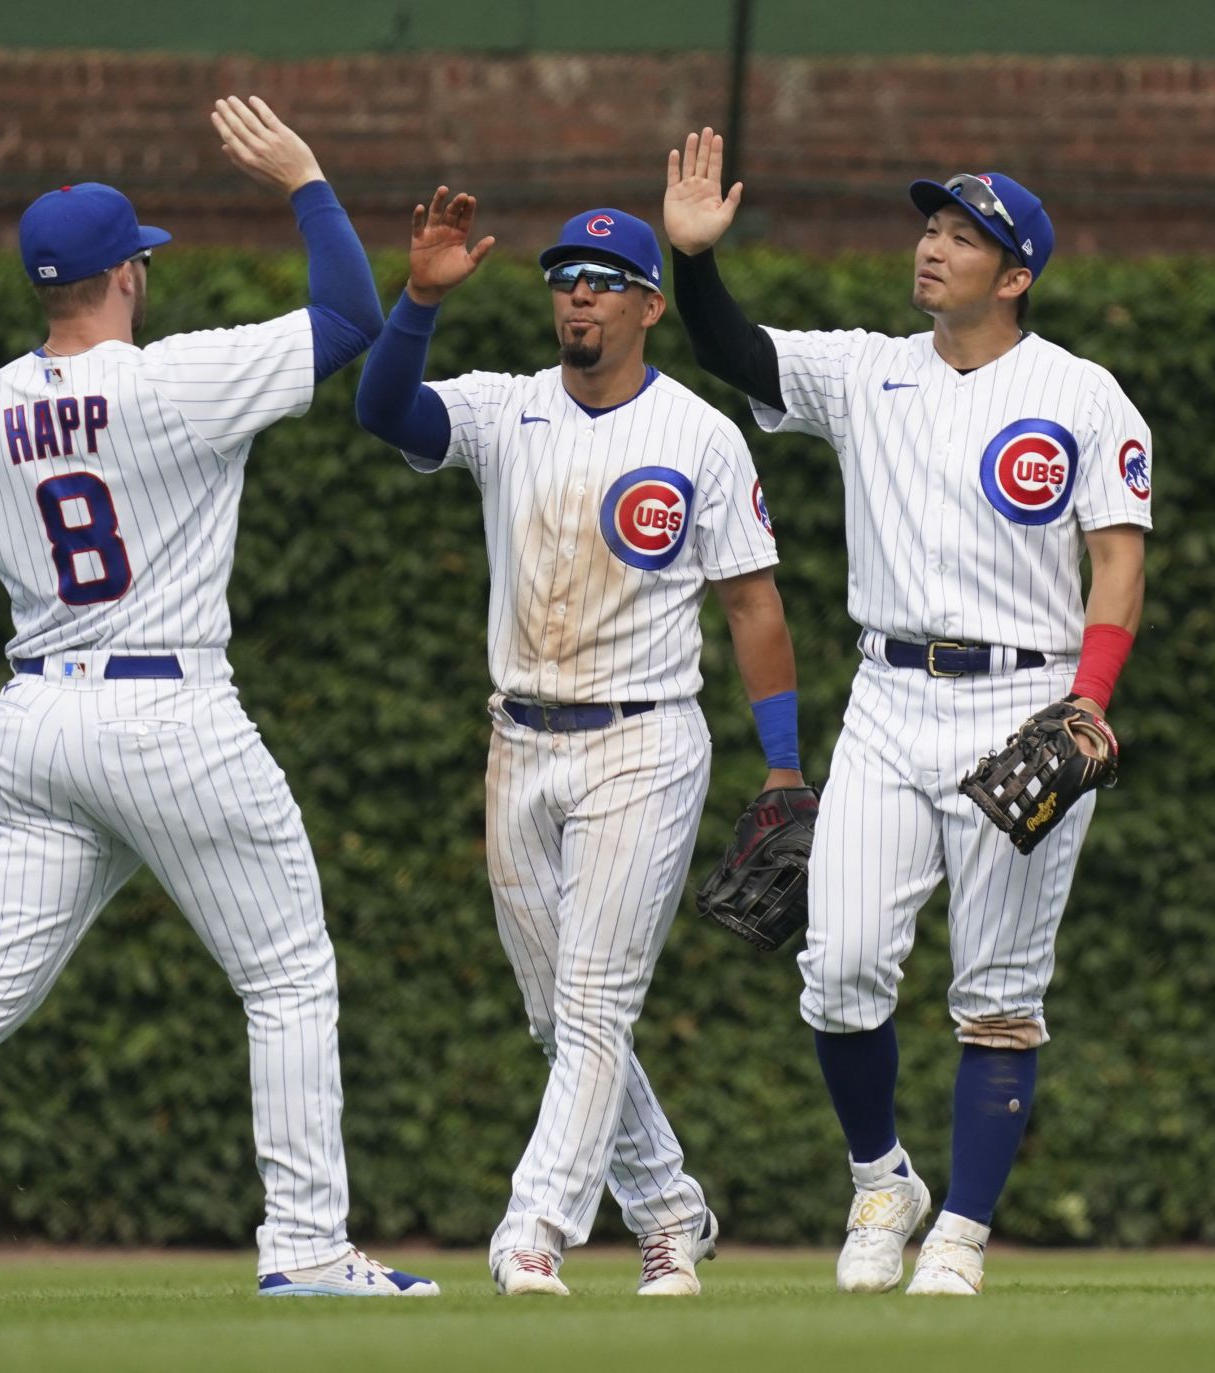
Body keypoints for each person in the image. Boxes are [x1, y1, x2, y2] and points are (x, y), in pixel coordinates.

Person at [0, 96, 438, 1301]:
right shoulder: (177, 379)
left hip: (34, 722)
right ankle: (309, 1246)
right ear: (129, 273)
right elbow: (351, 318)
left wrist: (20, 506)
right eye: (143, 261)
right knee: (286, 973)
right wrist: (307, 179)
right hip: (167, 710)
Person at [663, 129, 1151, 1295]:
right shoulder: (866, 368)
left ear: (1016, 272)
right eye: (931, 227)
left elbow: (1118, 564)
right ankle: (882, 1176)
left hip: (1025, 698)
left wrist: (1089, 703)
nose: (932, 246)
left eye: (963, 236)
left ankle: (964, 1233)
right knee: (835, 965)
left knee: (997, 991)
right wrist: (692, 264)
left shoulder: (1082, 395)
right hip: (886, 695)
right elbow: (736, 347)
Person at [354, 191, 805, 1296]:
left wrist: (785, 762)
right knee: (555, 1013)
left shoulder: (698, 432)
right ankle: (669, 1207)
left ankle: (533, 1228)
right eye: (563, 278)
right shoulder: (508, 409)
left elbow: (754, 603)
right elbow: (383, 410)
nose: (578, 293)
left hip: (643, 741)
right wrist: (416, 299)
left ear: (650, 305)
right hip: (521, 739)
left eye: (600, 280)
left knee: (596, 1002)